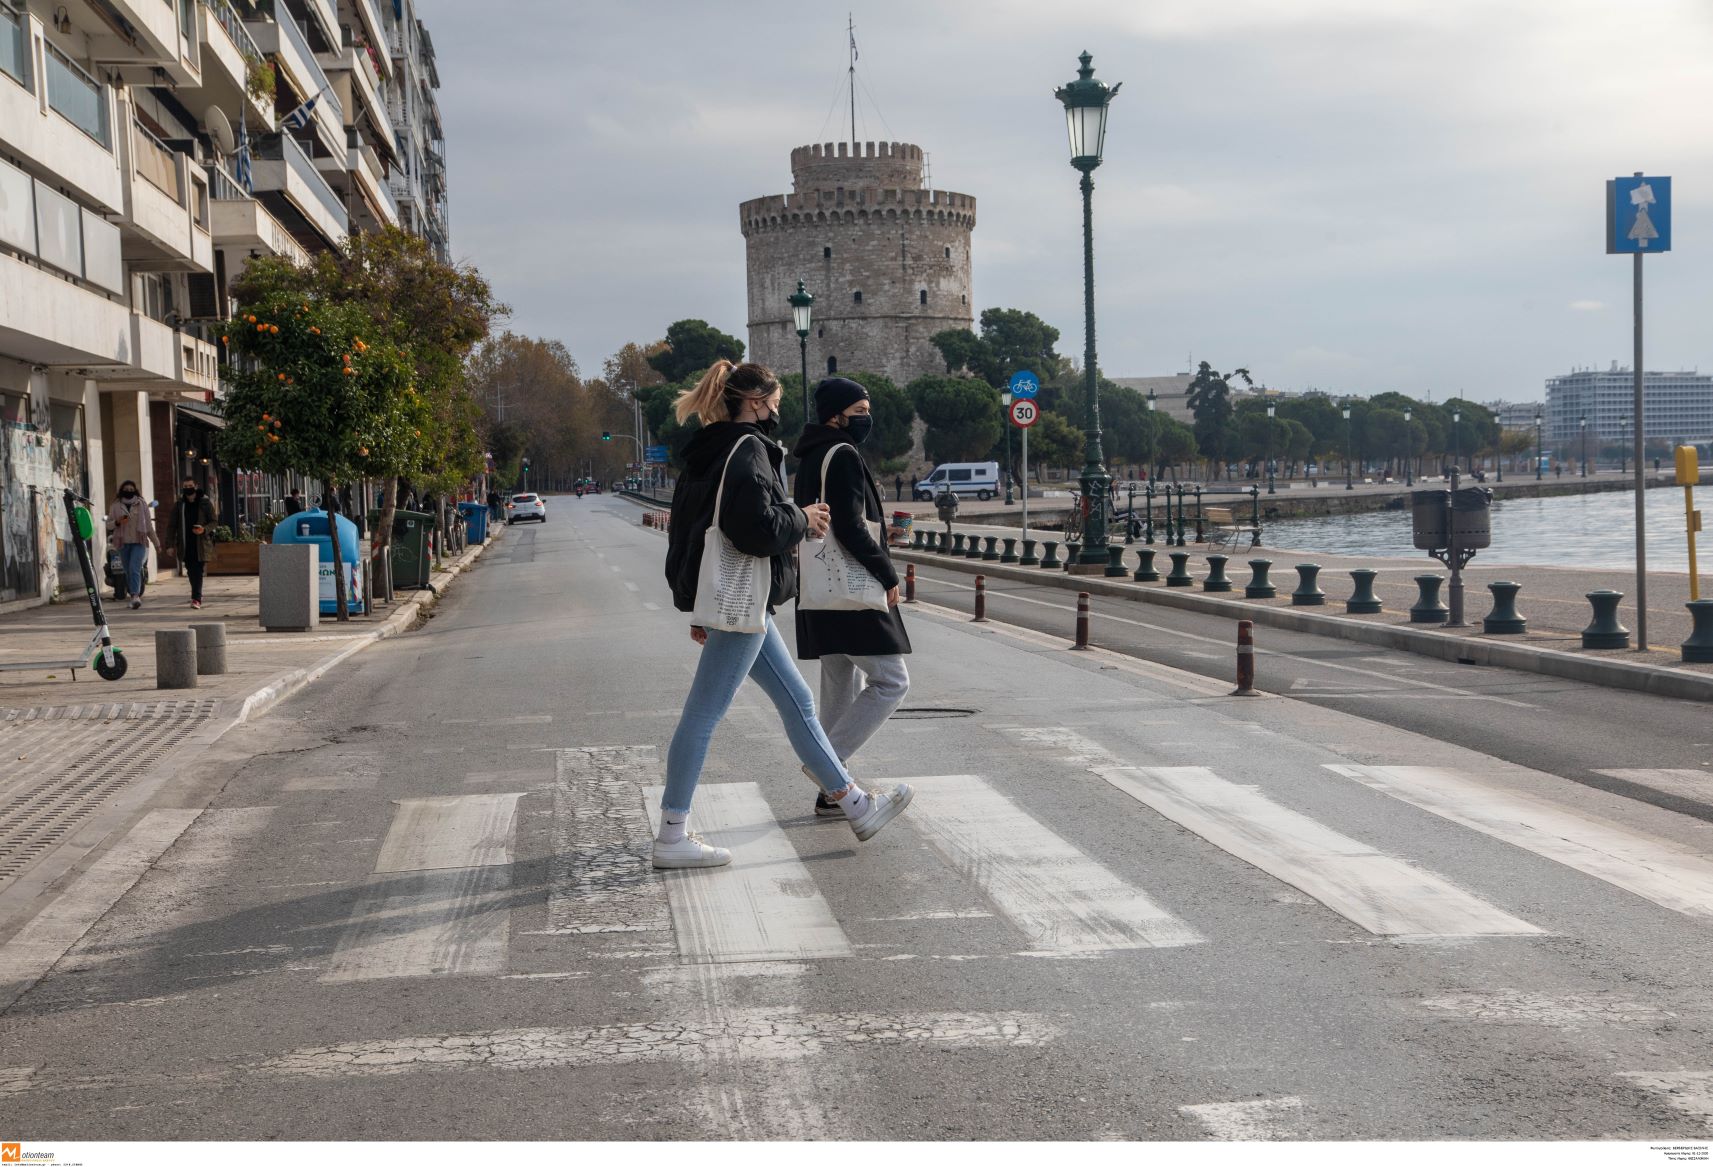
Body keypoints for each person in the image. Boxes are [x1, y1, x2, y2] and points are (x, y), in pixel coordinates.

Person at [661, 359, 913, 869]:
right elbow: (754, 527)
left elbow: (688, 526)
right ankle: (671, 834)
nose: (778, 411)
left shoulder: (706, 449)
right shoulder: (747, 448)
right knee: (703, 714)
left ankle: (854, 804)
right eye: (773, 403)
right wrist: (803, 518)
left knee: (798, 700)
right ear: (754, 403)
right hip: (743, 599)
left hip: (734, 599)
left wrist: (696, 600)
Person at [792, 378, 912, 818]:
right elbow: (849, 525)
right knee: (892, 681)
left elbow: (838, 518)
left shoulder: (811, 455)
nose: (867, 417)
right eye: (860, 409)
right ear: (836, 414)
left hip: (821, 588)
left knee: (841, 688)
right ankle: (828, 769)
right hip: (852, 589)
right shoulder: (841, 454)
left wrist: (886, 532)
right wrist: (885, 570)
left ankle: (830, 796)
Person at [106, 480, 161, 610]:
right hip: (122, 543)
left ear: (135, 491)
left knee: (134, 568)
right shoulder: (115, 505)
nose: (129, 491)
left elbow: (148, 526)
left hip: (139, 542)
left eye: (132, 489)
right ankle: (133, 595)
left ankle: (135, 596)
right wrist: (117, 522)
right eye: (127, 489)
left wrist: (156, 544)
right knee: (127, 570)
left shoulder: (141, 504)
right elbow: (109, 524)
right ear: (122, 490)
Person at [166, 478, 217, 609]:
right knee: (190, 570)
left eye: (190, 485)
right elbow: (172, 526)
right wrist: (170, 544)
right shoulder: (179, 504)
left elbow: (214, 521)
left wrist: (204, 529)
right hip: (185, 543)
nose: (188, 488)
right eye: (185, 486)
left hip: (200, 543)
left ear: (196, 486)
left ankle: (196, 598)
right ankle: (197, 593)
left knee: (198, 570)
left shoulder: (205, 503)